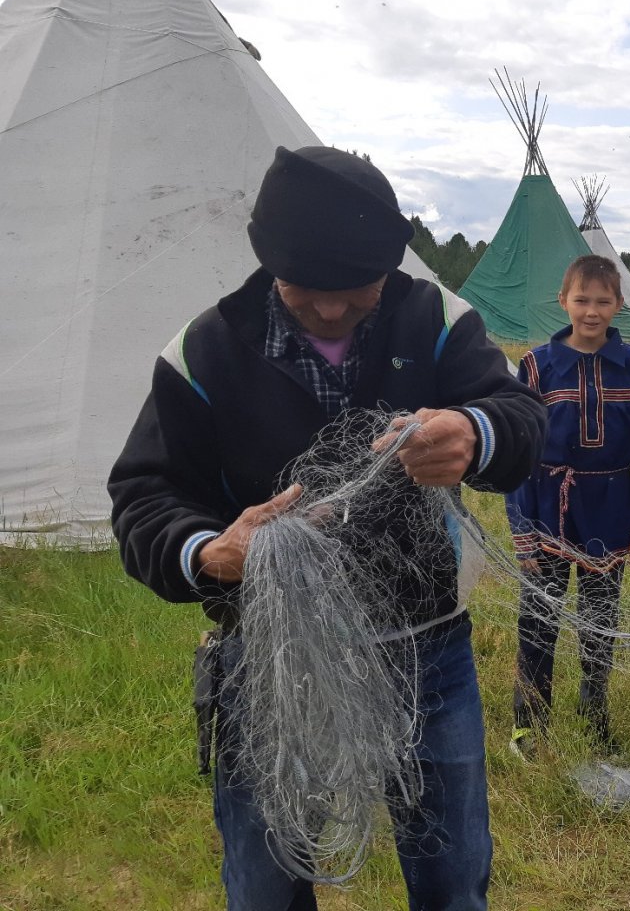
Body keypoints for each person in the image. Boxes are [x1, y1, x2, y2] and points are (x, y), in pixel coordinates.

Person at [107, 146, 546, 911]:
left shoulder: (434, 321)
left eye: (357, 290)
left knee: (451, 879)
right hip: (266, 664)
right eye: (308, 290)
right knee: (265, 884)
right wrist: (210, 552)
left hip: (426, 651)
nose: (335, 309)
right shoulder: (202, 352)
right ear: (269, 262)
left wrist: (474, 432)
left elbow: (520, 418)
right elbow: (145, 494)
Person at [504, 255, 630, 758]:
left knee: (598, 623)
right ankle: (530, 727)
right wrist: (522, 527)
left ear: (618, 304)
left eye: (603, 301)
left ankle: (595, 719)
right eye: (582, 300)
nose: (592, 311)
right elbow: (518, 451)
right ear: (563, 300)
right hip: (548, 505)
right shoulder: (536, 364)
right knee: (538, 622)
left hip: (609, 507)